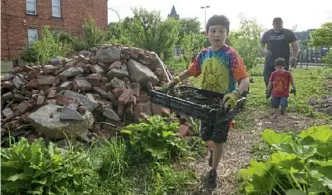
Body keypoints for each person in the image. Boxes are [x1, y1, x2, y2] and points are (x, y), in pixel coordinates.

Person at [166, 15, 250, 188]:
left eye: (221, 31)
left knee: (218, 140)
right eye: (213, 30)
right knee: (205, 136)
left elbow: (245, 80)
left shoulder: (231, 55)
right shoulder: (204, 54)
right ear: (207, 33)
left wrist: (235, 94)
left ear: (227, 33)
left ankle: (213, 171)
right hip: (204, 102)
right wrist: (177, 80)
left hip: (224, 104)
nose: (217, 34)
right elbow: (191, 71)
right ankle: (214, 151)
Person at [260, 17, 299, 99]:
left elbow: (295, 46)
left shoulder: (288, 33)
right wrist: (264, 51)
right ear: (273, 24)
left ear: (282, 23)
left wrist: (294, 57)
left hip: (283, 61)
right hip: (270, 60)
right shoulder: (267, 34)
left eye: (280, 23)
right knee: (267, 77)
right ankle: (269, 90)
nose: (279, 25)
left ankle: (281, 95)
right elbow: (261, 46)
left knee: (283, 78)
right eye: (277, 23)